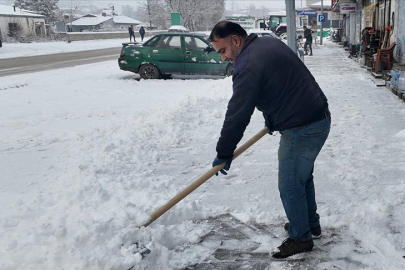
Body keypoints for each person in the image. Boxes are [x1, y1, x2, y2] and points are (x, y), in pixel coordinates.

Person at [209, 21, 330, 259]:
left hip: (302, 126)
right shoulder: (268, 43)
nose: (222, 58)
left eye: (222, 50)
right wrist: (273, 117)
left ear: (235, 40)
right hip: (317, 116)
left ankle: (300, 238)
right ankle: (309, 223)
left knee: (290, 184)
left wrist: (224, 152)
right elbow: (280, 84)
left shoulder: (247, 66)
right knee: (302, 178)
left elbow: (237, 114)